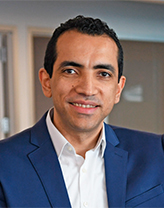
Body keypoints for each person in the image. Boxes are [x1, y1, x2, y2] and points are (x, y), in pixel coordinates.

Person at [0, 15, 164, 208]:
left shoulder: (157, 153)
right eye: (70, 71)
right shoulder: (4, 163)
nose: (87, 89)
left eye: (103, 74)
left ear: (118, 89)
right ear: (47, 82)